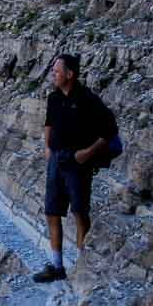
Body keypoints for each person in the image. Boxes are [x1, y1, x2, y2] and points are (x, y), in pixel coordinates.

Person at [33, 54, 117, 283]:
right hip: (57, 160)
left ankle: (81, 266)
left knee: (80, 212)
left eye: (57, 71)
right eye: (53, 71)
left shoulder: (88, 99)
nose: (53, 74)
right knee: (52, 212)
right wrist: (47, 148)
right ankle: (57, 265)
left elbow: (110, 130)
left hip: (77, 163)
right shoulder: (54, 98)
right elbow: (48, 123)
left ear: (70, 74)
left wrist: (87, 153)